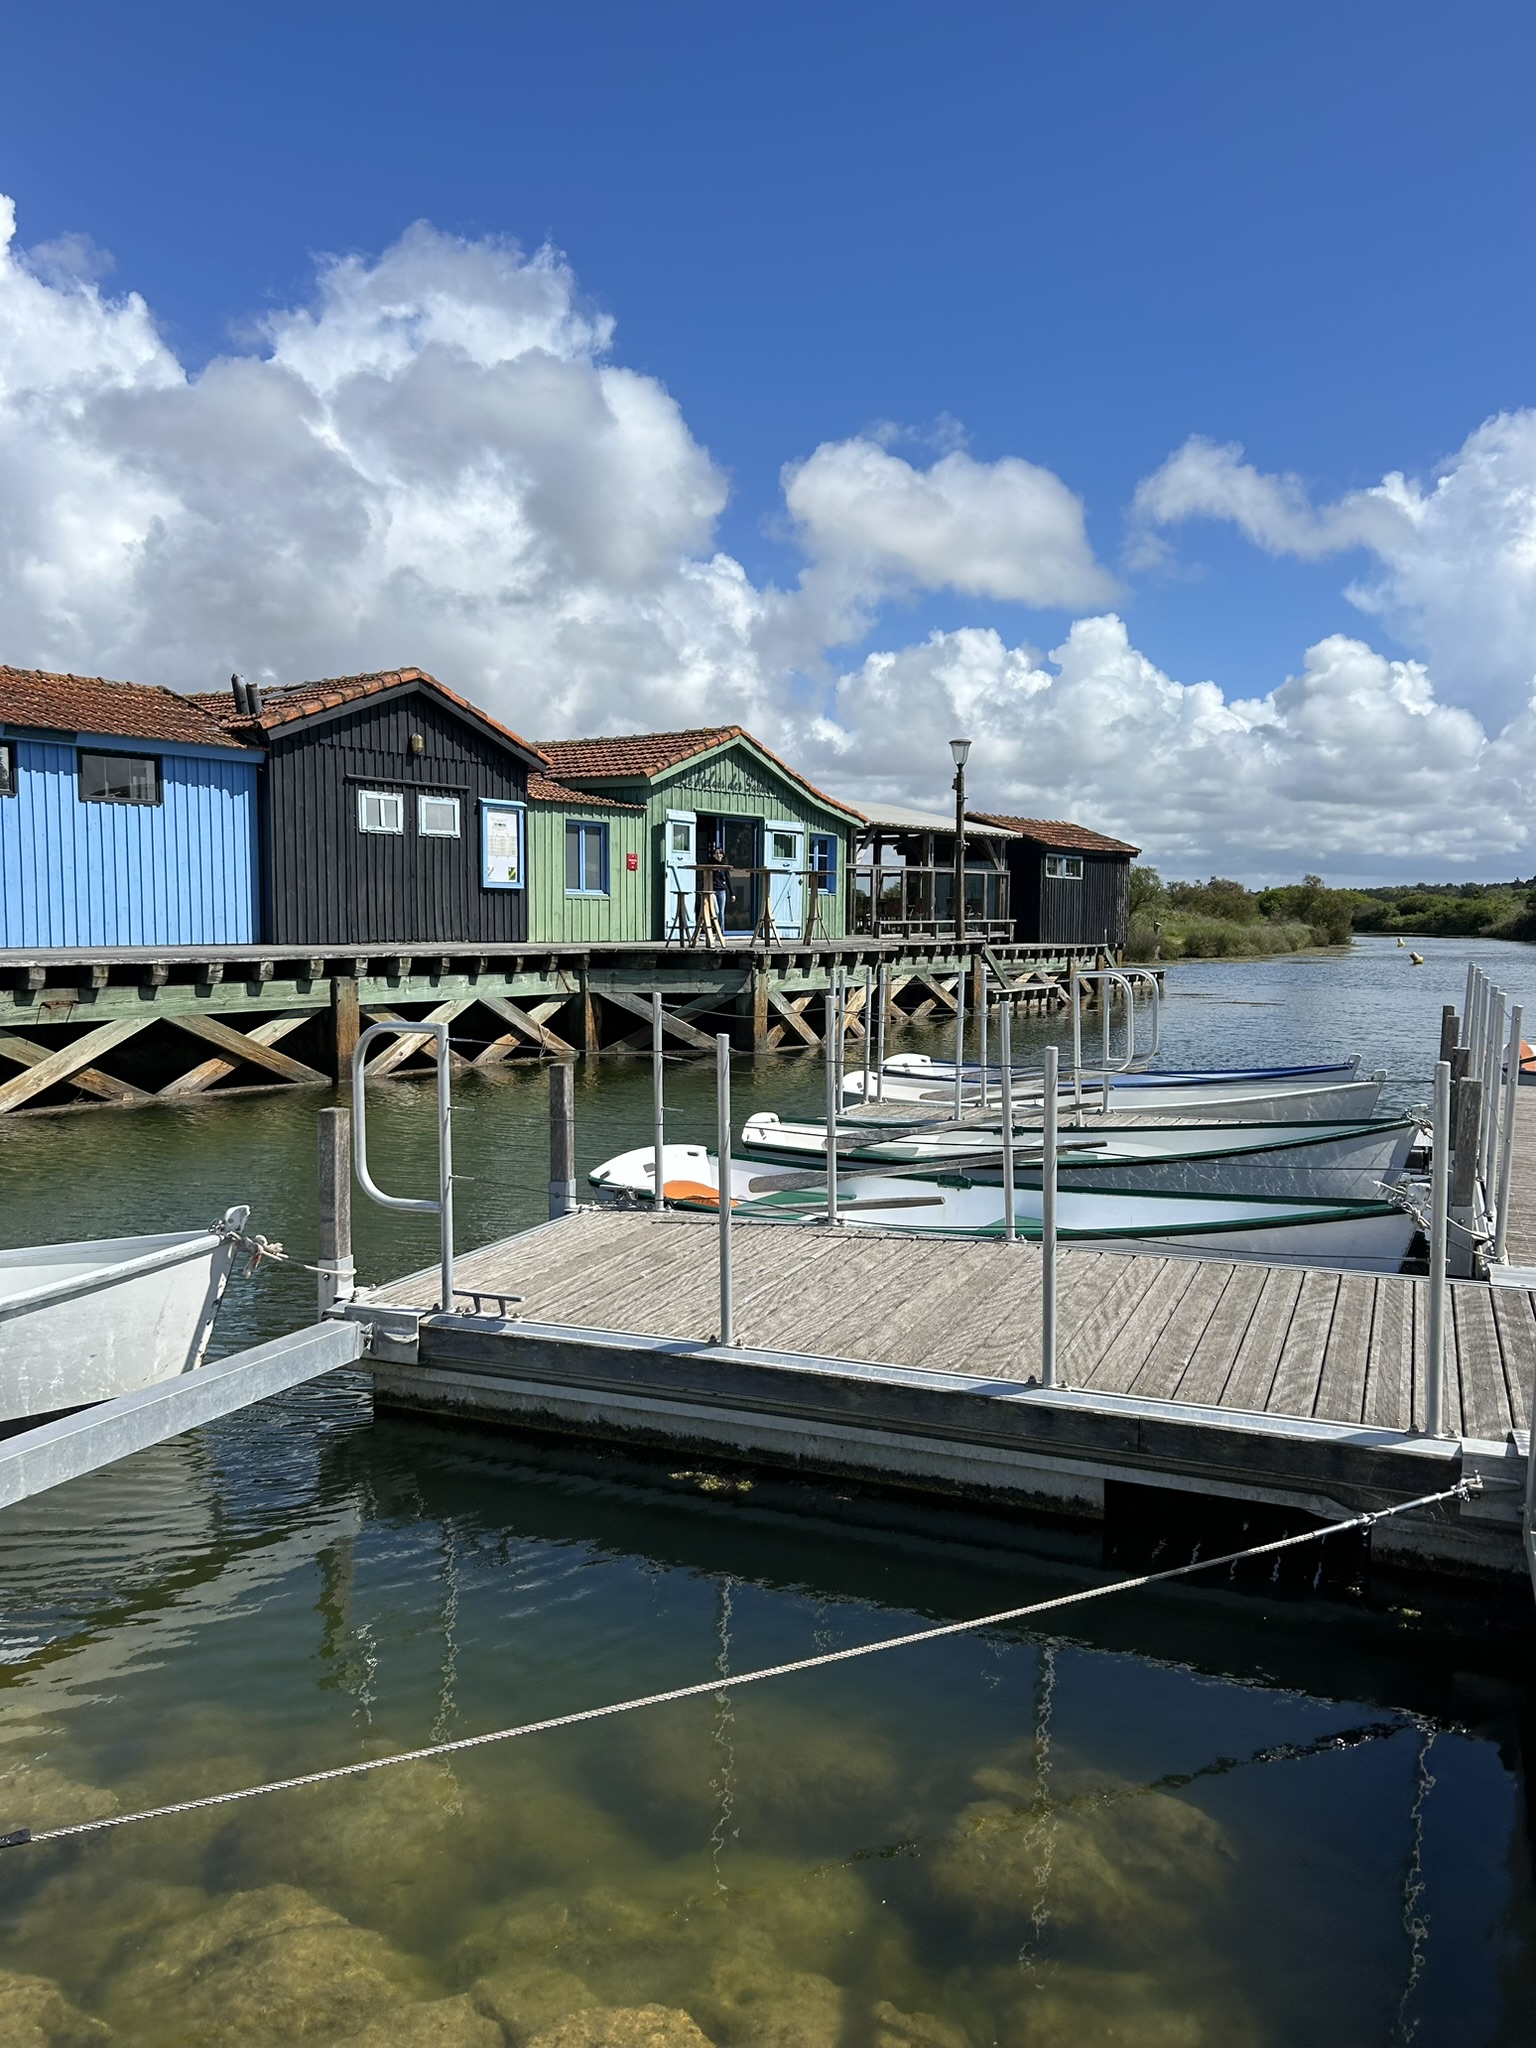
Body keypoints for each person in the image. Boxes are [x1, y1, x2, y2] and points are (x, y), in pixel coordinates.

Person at [708, 840, 730, 933]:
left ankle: (720, 932)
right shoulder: (710, 865)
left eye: (720, 853)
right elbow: (707, 877)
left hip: (722, 890)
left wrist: (732, 893)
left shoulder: (725, 867)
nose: (718, 855)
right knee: (716, 911)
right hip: (713, 890)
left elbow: (728, 879)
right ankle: (714, 929)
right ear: (713, 855)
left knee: (721, 912)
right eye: (716, 853)